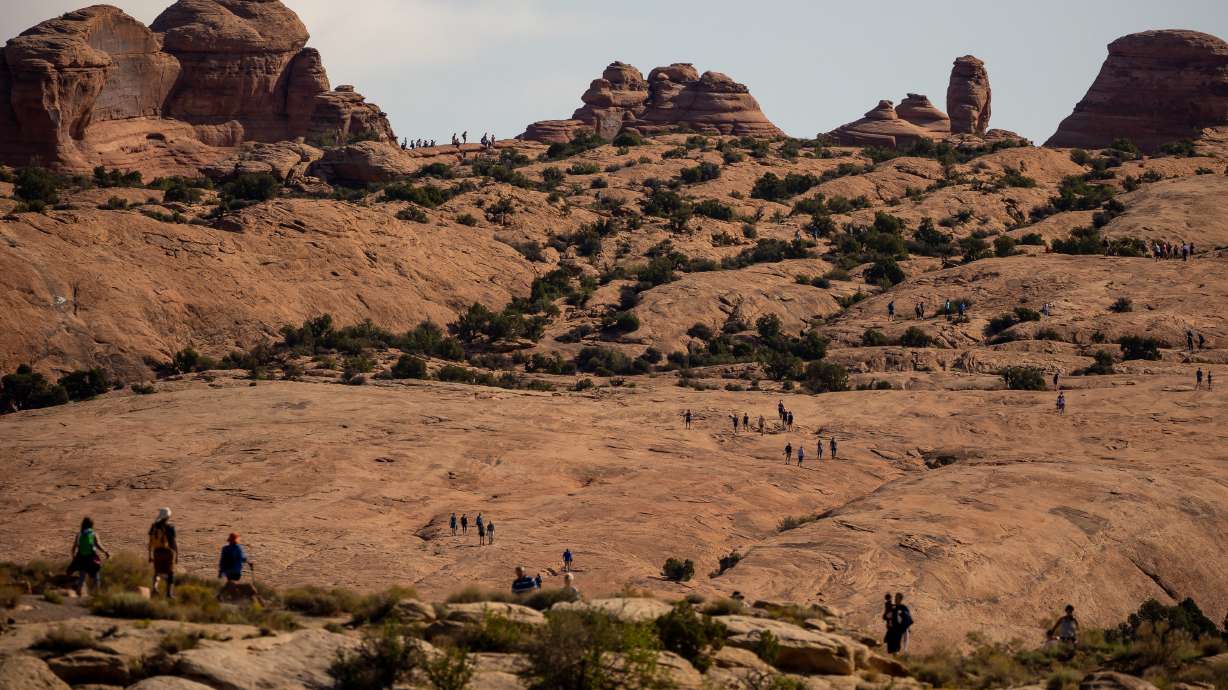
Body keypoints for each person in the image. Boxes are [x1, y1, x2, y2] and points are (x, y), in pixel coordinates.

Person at [68, 517, 110, 597]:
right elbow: (98, 545)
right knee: (96, 577)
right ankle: (97, 594)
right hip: (91, 558)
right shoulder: (93, 534)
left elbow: (74, 548)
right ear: (91, 525)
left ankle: (79, 594)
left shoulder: (79, 534)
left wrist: (74, 557)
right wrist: (105, 552)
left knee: (82, 577)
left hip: (81, 558)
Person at [148, 508, 178, 599]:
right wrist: (176, 555)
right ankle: (169, 594)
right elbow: (173, 542)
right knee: (171, 573)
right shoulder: (170, 527)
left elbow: (150, 542)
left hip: (156, 552)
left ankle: (155, 587)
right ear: (168, 516)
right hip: (168, 552)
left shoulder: (154, 526)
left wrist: (150, 555)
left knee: (157, 572)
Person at [217, 533, 250, 599]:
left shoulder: (225, 548)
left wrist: (220, 571)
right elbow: (242, 558)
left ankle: (222, 595)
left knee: (230, 584)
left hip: (227, 571)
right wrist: (248, 561)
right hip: (236, 571)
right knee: (232, 584)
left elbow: (222, 560)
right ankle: (232, 597)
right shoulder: (238, 548)